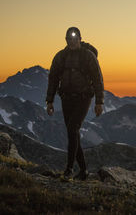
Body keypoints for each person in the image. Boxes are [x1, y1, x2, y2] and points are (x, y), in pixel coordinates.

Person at [45, 27, 104, 181]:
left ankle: (69, 169)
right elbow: (53, 79)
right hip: (66, 99)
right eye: (69, 39)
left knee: (72, 128)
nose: (72, 41)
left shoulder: (88, 56)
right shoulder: (60, 57)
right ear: (66, 40)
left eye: (74, 38)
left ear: (80, 38)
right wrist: (49, 101)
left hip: (83, 99)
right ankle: (83, 171)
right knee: (73, 133)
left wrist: (99, 102)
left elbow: (98, 79)